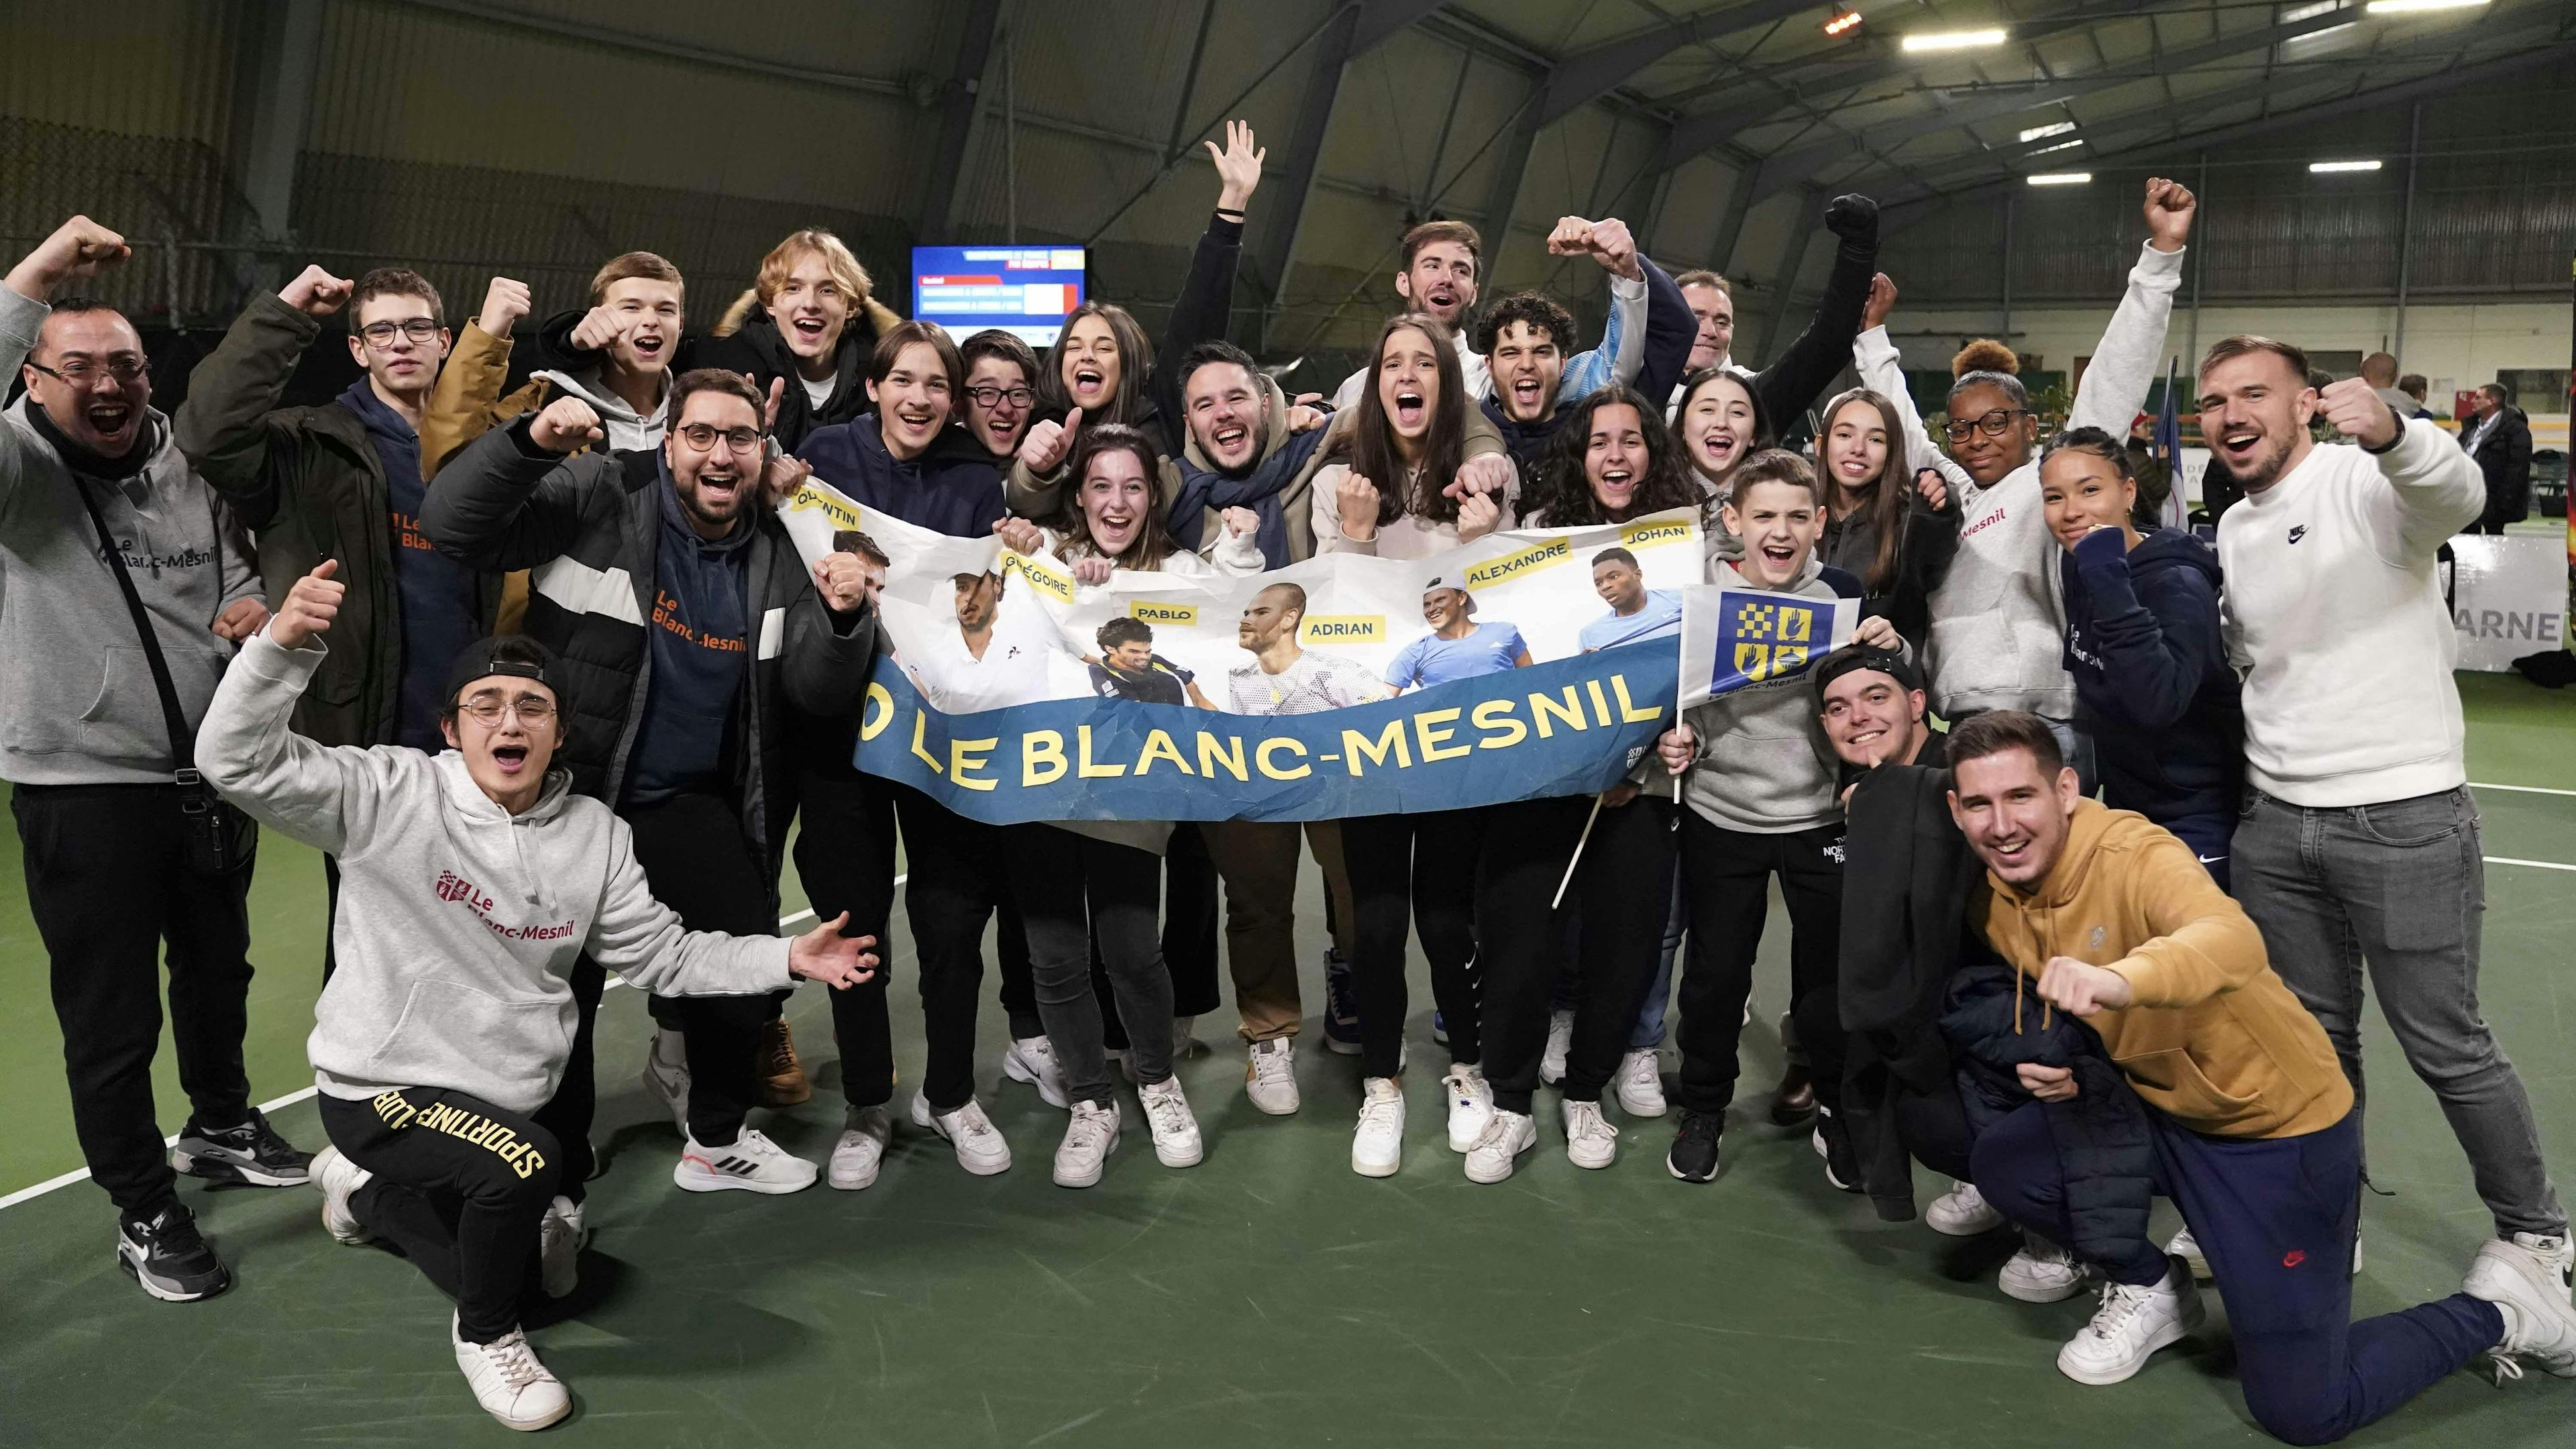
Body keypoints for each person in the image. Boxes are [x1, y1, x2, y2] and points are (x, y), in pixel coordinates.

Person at [198, 574, 878, 1430]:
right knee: (522, 1175)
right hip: (383, 1085)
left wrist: (787, 954)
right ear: (451, 728)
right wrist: (282, 648)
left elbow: (663, 953)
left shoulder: (596, 835)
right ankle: (485, 1338)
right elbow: (233, 761)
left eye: (532, 706)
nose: (510, 723)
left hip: (509, 1095)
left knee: (548, 1265)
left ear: (559, 732)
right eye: (485, 705)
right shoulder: (385, 794)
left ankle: (364, 1197)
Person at [1945, 711, 2576, 1436]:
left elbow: (2228, 937)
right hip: (2158, 1108)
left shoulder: (2134, 854)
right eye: (1980, 804)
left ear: (2065, 789)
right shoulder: (1996, 895)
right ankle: (2155, 1291)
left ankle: (2505, 1308)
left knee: (2305, 1408)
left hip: (2274, 1136)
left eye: (2020, 796)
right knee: (2008, 1161)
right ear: (1956, 809)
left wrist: (2123, 981)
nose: (2001, 824)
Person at [423, 367, 881, 1195]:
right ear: (668, 443)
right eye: (700, 434)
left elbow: (816, 690)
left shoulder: (784, 547)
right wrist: (527, 443)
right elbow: (453, 524)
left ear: (762, 451)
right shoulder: (599, 494)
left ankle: (715, 1138)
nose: (720, 453)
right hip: (573, 799)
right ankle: (549, 1164)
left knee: (750, 964)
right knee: (560, 992)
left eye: (740, 438)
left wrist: (847, 620)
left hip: (687, 802)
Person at [2203, 334, 2571, 1290]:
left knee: (2448, 1046)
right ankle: (2332, 1223)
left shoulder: (2363, 483)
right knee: (2315, 1050)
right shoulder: (2236, 526)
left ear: (2302, 406)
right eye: (2214, 402)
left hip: (2403, 819)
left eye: (2254, 395)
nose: (2233, 415)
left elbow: (2458, 497)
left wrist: (2399, 433)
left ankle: (2540, 1237)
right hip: (2279, 826)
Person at [2, 215, 303, 1303]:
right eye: (77, 367)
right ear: (33, 378)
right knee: (112, 1014)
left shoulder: (182, 468)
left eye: (125, 364)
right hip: (82, 792)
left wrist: (248, 610)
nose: (107, 384)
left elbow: (220, 574)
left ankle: (219, 1123)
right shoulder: (18, 477)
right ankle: (143, 1205)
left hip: (205, 781)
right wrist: (35, 276)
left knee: (219, 971)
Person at [176, 262, 505, 980]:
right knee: (373, 944)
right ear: (357, 348)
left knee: (484, 934)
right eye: (380, 330)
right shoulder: (306, 445)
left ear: (445, 339)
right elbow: (205, 433)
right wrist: (288, 314)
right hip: (368, 736)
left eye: (417, 327)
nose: (401, 342)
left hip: (483, 736)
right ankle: (365, 1092)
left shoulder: (489, 443)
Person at [1857, 176, 2198, 788]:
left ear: (2030, 424)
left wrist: (2159, 261)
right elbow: (1903, 430)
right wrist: (1871, 337)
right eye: (1961, 429)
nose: (1978, 438)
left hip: (2048, 727)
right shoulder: (1951, 493)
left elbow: (2114, 379)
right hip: (1958, 724)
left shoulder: (2049, 481)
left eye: (1995, 422)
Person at [1650, 451, 1903, 1186]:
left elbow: (1886, 698)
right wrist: (1676, 738)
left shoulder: (1846, 597)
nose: (1781, 530)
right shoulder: (1702, 601)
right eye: (1763, 516)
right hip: (1721, 815)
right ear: (1733, 523)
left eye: (1798, 515)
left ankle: (1835, 1108)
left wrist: (1894, 650)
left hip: (1821, 818)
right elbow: (1674, 699)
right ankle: (1702, 1107)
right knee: (1716, 975)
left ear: (1820, 523)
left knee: (1827, 981)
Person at [1008, 120, 1265, 518]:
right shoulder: (1041, 427)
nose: (1087, 356)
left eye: (1104, 347)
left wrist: (1232, 206)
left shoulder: (1162, 415)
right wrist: (1037, 468)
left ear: (1128, 363)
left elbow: (1197, 318)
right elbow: (1022, 505)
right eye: (1073, 348)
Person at [2040, 427, 2242, 884]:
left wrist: (2107, 577)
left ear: (2128, 492)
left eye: (2090, 490)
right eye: (2054, 497)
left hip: (2198, 814)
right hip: (2130, 807)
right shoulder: (2080, 561)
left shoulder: (2175, 583)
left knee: (2195, 952)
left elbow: (2156, 703)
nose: (2072, 511)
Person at [1204, 580, 1377, 1113]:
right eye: (1245, 610)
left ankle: (1372, 1010)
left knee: (1360, 898)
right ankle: (1269, 1038)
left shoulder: (1334, 673)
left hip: (1333, 794)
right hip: (1256, 801)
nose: (1246, 619)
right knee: (1257, 908)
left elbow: (1388, 715)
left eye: (1260, 611)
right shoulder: (1231, 680)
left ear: (1290, 619)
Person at [1329, 215, 1652, 414]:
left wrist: (1625, 273)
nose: (1446, 278)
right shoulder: (1356, 389)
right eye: (1432, 266)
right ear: (1403, 282)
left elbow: (1612, 372)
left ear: (1474, 292)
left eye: (1461, 270)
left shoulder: (1503, 375)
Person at [425, 252, 687, 470]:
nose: (651, 321)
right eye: (632, 307)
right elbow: (450, 466)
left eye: (666, 310)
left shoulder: (698, 413)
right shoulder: (541, 402)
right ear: (597, 319)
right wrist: (488, 335)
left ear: (681, 325)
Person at [1474, 221, 1693, 479]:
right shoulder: (1464, 429)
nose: (1527, 364)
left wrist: (1628, 270)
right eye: (1511, 353)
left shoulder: (1599, 424)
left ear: (1564, 362)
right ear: (1489, 365)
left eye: (1542, 352)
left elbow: (1675, 331)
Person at [1664, 194, 1880, 439]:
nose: (1711, 331)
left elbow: (1827, 343)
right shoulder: (1638, 392)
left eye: (1722, 322)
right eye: (1696, 318)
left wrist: (1857, 253)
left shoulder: (1753, 398)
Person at [1312, 313, 1521, 558]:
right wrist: (1356, 532)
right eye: (1393, 365)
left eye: (1425, 364)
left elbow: (1508, 591)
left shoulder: (1494, 475)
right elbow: (1331, 594)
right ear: (1377, 384)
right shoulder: (1335, 483)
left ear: (1448, 383)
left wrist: (1480, 544)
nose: (1407, 375)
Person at [696, 228, 902, 451]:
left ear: (851, 306)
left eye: (828, 290)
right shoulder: (727, 372)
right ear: (770, 303)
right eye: (794, 288)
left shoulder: (884, 378)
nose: (810, 303)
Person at [1166, 339, 1337, 566]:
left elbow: (1378, 418)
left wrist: (1324, 411)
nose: (1224, 413)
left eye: (1236, 398)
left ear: (1265, 405)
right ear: (1189, 425)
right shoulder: (1169, 490)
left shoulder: (1318, 451)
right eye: (1206, 405)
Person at [1384, 582, 1529, 694]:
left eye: (1440, 600)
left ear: (1461, 598)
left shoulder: (1504, 632)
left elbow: (1534, 681)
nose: (1432, 609)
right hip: (1454, 732)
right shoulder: (1415, 652)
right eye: (1427, 604)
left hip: (1511, 727)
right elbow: (1381, 704)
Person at [959, 327, 1042, 462]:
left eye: (1018, 394)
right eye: (988, 392)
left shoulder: (1052, 467)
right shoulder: (932, 471)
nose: (1006, 408)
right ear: (959, 400)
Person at [1579, 546, 1682, 652]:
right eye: (1599, 583)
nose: (1605, 586)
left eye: (1613, 577)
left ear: (1637, 575)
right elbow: (1593, 669)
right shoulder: (1591, 635)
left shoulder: (1680, 601)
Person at [2461, 382, 2532, 535]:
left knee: (2494, 537)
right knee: (2466, 537)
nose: (2472, 401)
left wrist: (2506, 498)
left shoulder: (2515, 429)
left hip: (2495, 497)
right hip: (2468, 494)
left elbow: (2518, 466)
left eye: (2478, 397)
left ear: (2492, 401)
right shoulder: (2471, 426)